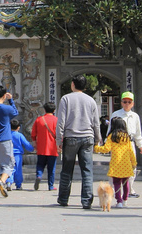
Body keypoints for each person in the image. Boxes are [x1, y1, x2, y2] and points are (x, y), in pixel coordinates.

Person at [56, 74, 101, 209]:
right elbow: (96, 123)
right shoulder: (91, 100)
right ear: (85, 86)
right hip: (88, 137)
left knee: (67, 170)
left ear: (72, 85)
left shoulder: (66, 99)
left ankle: (63, 198)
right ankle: (86, 201)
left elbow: (61, 121)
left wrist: (59, 139)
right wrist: (98, 139)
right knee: (87, 170)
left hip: (70, 137)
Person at [108, 91, 142, 198]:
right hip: (117, 144)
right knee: (115, 166)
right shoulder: (116, 115)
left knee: (132, 167)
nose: (127, 104)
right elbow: (110, 130)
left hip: (130, 143)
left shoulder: (135, 116)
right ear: (121, 102)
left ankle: (129, 189)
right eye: (125, 102)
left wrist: (141, 145)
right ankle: (112, 189)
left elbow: (138, 133)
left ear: (133, 103)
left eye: (129, 102)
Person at [94, 117, 137, 208]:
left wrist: (96, 148)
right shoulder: (127, 137)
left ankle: (119, 201)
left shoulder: (112, 136)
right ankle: (125, 199)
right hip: (126, 163)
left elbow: (106, 149)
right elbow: (131, 151)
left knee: (117, 183)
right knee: (126, 183)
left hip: (116, 163)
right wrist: (134, 163)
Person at [31, 102, 58, 191]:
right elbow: (60, 134)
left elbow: (33, 133)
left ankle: (39, 175)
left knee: (40, 165)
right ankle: (50, 186)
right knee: (51, 168)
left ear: (44, 110)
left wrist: (34, 142)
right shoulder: (56, 120)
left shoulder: (39, 120)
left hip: (41, 147)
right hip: (53, 148)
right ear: (54, 110)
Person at [6, 119, 34, 190]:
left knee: (9, 169)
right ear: (18, 127)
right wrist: (32, 148)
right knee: (18, 169)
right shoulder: (19, 135)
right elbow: (26, 144)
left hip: (8, 154)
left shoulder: (6, 135)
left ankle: (8, 182)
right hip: (17, 155)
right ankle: (18, 185)